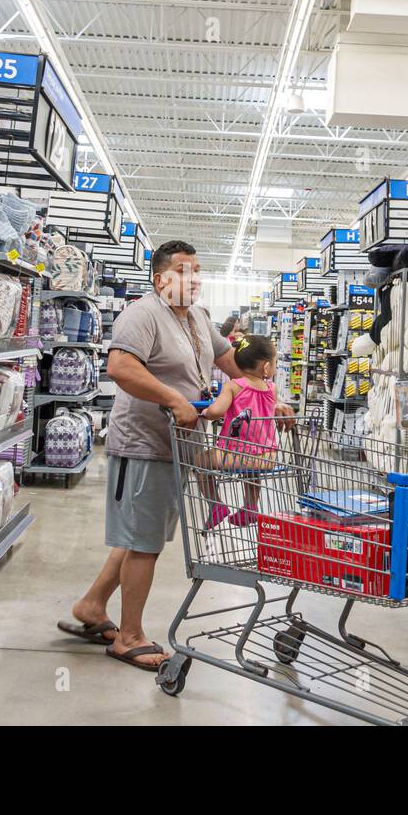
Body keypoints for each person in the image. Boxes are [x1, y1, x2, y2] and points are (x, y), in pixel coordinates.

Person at [58, 241, 279, 671]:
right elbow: (120, 368)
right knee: (144, 544)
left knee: (143, 535)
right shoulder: (142, 314)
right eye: (183, 270)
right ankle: (130, 636)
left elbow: (228, 360)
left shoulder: (196, 316)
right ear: (160, 279)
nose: (193, 277)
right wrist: (172, 399)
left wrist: (265, 392)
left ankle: (91, 606)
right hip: (146, 442)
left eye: (197, 270)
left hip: (179, 444)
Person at [198, 334, 279, 530]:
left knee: (200, 461)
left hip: (235, 454)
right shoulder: (272, 388)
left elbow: (217, 411)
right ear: (266, 368)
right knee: (252, 474)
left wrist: (206, 412)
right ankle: (250, 507)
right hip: (267, 456)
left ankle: (216, 505)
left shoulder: (234, 386)